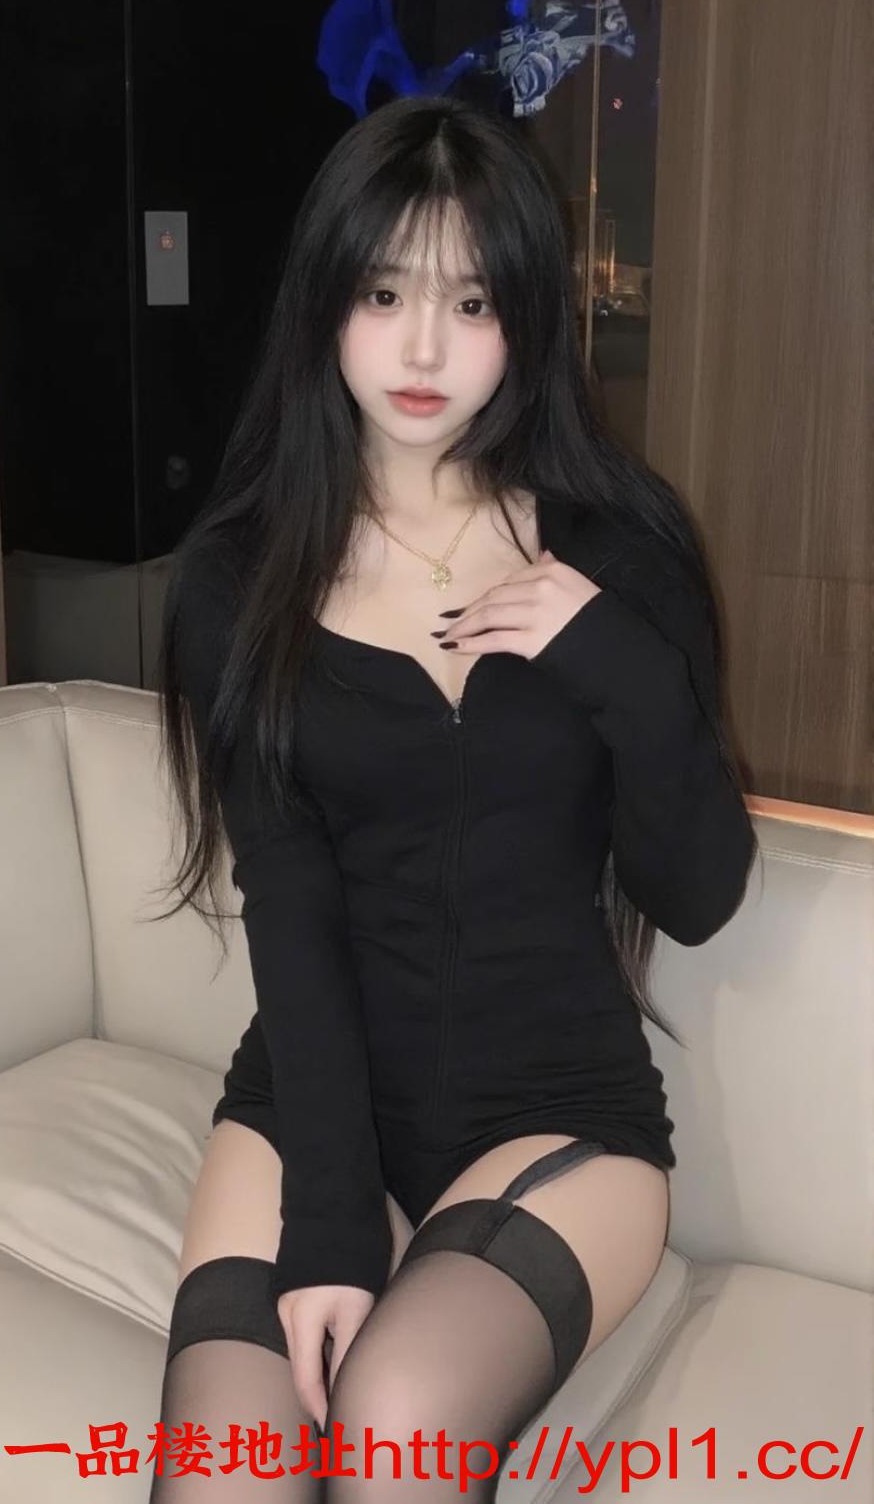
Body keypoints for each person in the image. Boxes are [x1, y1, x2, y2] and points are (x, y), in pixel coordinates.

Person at [147, 94, 758, 1500]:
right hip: (311, 1103)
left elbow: (697, 893)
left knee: (396, 1422)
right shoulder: (238, 578)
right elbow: (289, 903)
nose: (422, 349)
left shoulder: (622, 544)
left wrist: (613, 656)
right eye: (383, 294)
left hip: (559, 1117)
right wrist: (330, 1231)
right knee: (229, 1470)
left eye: (471, 302)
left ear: (526, 318)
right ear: (324, 303)